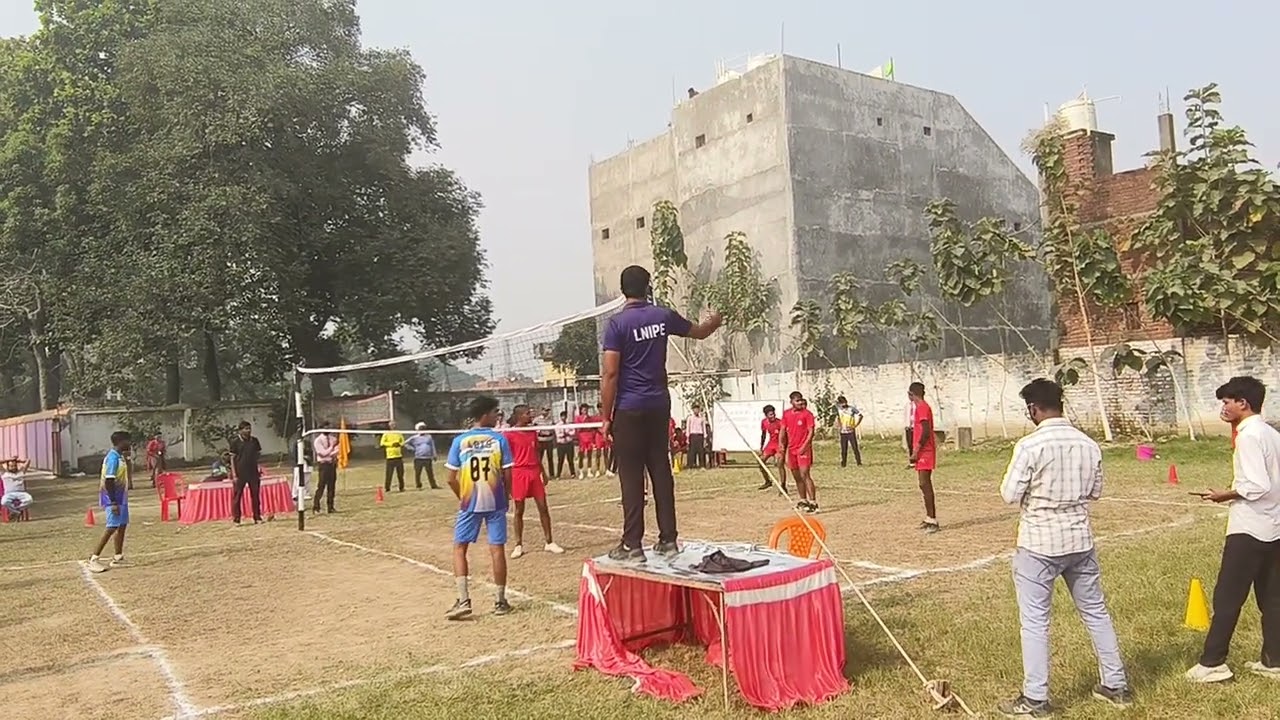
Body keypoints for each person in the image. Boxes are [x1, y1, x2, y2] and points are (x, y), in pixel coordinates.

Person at [996, 379, 1132, 716]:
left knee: (1035, 622)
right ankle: (1115, 684)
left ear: (1033, 409)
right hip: (1079, 540)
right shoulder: (1088, 444)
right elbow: (1095, 491)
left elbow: (1010, 494)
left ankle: (1035, 697)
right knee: (1096, 613)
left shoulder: (1030, 446)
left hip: (1038, 543)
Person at [601, 264, 721, 562]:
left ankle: (632, 545)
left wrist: (606, 417)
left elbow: (611, 373)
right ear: (648, 287)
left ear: (622, 290)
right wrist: (714, 321)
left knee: (631, 477)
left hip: (629, 408)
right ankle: (668, 539)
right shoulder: (662, 316)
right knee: (661, 471)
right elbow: (700, 332)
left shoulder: (616, 324)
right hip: (658, 405)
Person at [1186, 376, 1280, 683]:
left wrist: (1224, 494)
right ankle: (1273, 660)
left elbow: (1256, 484)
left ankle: (1213, 663)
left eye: (1227, 401)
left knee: (1227, 597)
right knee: (1272, 598)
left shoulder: (1249, 436)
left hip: (1249, 529)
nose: (1223, 408)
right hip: (1273, 526)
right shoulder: (1271, 433)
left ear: (1244, 403)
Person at [444, 395, 515, 619]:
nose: (497, 417)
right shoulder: (499, 440)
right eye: (495, 413)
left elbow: (450, 478)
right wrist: (507, 495)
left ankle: (463, 599)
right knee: (497, 549)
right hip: (495, 500)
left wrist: (463, 496)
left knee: (459, 548)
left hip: (470, 501)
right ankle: (500, 601)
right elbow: (508, 473)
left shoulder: (460, 441)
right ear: (485, 415)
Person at [504, 405, 565, 559]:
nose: (530, 416)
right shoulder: (509, 434)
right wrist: (508, 481)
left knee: (543, 507)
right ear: (519, 416)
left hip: (533, 471)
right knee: (519, 510)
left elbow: (536, 453)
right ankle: (518, 545)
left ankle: (549, 542)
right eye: (527, 414)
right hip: (519, 472)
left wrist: (543, 472)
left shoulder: (532, 432)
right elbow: (506, 459)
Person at [87, 431, 132, 572]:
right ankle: (94, 558)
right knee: (112, 527)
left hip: (121, 497)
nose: (130, 443)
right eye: (127, 441)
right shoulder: (112, 458)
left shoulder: (121, 457)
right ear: (121, 441)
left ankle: (118, 558)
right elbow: (109, 481)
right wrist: (112, 502)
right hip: (113, 498)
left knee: (122, 525)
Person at [908, 382, 940, 534]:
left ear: (912, 394)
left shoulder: (922, 408)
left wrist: (917, 450)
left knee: (924, 483)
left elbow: (926, 431)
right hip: (922, 451)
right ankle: (929, 517)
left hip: (925, 451)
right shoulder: (920, 408)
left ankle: (933, 520)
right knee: (923, 484)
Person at [782, 395, 818, 513]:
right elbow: (783, 430)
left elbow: (811, 432)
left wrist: (804, 446)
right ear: (791, 402)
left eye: (801, 400)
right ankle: (803, 500)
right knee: (796, 476)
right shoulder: (786, 414)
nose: (800, 403)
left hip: (803, 449)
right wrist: (781, 445)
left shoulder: (807, 414)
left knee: (805, 474)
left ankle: (813, 502)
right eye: (797, 401)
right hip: (791, 449)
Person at [229, 421, 263, 525]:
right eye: (246, 429)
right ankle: (237, 518)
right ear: (240, 430)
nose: (248, 431)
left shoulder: (254, 441)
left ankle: (257, 517)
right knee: (237, 496)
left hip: (253, 472)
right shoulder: (235, 442)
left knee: (255, 495)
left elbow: (258, 455)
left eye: (249, 428)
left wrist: (259, 468)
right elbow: (232, 458)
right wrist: (234, 474)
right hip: (240, 473)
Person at [757, 405, 786, 491]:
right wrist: (761, 447)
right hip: (771, 444)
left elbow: (785, 436)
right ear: (766, 415)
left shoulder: (780, 423)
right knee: (761, 461)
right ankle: (767, 481)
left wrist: (783, 447)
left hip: (779, 444)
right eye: (770, 415)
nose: (773, 416)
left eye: (773, 414)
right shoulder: (764, 422)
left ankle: (783, 485)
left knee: (779, 463)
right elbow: (763, 435)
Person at [312, 424, 340, 513]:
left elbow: (337, 450)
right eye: (325, 428)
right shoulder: (318, 440)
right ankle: (316, 506)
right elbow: (322, 453)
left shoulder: (333, 439)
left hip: (332, 464)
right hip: (323, 465)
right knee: (321, 486)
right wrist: (331, 448)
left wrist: (331, 452)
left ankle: (330, 507)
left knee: (331, 487)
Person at [405, 422, 439, 490]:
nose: (423, 430)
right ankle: (418, 485)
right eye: (421, 429)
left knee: (430, 472)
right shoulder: (414, 438)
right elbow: (405, 443)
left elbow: (432, 446)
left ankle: (433, 485)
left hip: (427, 458)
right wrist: (412, 449)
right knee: (418, 473)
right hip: (418, 458)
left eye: (423, 428)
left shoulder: (429, 437)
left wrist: (434, 455)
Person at [836, 395, 864, 467]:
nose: (843, 404)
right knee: (843, 449)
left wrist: (855, 425)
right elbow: (838, 417)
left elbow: (860, 415)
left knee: (855, 447)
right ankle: (843, 463)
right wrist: (839, 425)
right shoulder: (839, 410)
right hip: (843, 432)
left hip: (851, 431)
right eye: (841, 403)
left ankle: (859, 462)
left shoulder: (851, 409)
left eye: (844, 402)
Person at [379, 422, 407, 492]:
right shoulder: (386, 433)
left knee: (400, 473)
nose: (393, 426)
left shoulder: (398, 433)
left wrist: (399, 444)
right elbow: (382, 443)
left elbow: (403, 442)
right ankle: (387, 488)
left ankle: (401, 487)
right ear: (389, 426)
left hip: (398, 456)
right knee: (389, 474)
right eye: (391, 425)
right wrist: (391, 444)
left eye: (394, 425)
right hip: (390, 457)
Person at [534, 408, 556, 478]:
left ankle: (552, 474)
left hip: (549, 440)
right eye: (545, 410)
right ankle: (539, 474)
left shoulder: (551, 420)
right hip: (541, 441)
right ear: (541, 411)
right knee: (539, 458)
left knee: (550, 458)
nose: (546, 412)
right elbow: (534, 429)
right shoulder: (536, 420)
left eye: (548, 411)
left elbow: (553, 429)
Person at [573, 403, 594, 478]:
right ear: (581, 410)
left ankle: (589, 470)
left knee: (589, 455)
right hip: (582, 438)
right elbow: (578, 428)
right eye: (584, 409)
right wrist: (584, 420)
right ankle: (581, 471)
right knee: (581, 455)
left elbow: (592, 428)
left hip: (589, 437)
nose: (586, 411)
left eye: (587, 409)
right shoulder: (578, 418)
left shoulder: (590, 418)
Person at [554, 411, 577, 478]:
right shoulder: (557, 425)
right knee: (560, 459)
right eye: (562, 416)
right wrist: (565, 434)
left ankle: (573, 473)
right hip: (561, 444)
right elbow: (558, 434)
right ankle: (558, 475)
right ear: (560, 417)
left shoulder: (569, 425)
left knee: (570, 459)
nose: (564, 417)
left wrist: (568, 434)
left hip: (569, 443)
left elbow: (573, 432)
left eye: (565, 416)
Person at [685, 405, 708, 469]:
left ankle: (702, 465)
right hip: (692, 435)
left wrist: (705, 438)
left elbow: (704, 428)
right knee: (692, 451)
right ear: (693, 410)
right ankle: (691, 465)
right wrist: (687, 438)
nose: (696, 411)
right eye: (695, 409)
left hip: (700, 435)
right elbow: (688, 428)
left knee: (701, 451)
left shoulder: (702, 418)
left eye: (697, 409)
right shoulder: (690, 418)